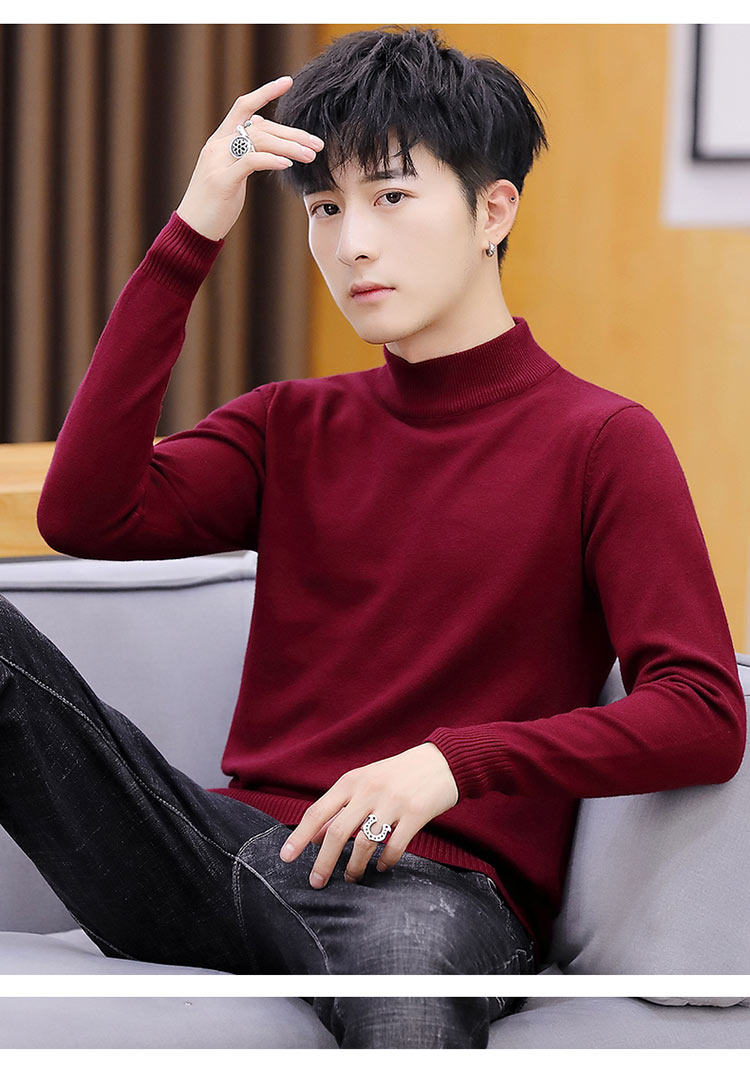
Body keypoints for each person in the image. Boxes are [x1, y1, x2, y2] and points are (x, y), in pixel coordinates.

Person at [1, 25, 745, 1049]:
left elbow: (702, 711)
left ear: (493, 211)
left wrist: (453, 762)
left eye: (391, 197)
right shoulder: (289, 422)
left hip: (430, 888)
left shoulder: (603, 441)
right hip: (221, 853)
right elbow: (83, 515)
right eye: (325, 208)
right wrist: (193, 231)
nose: (351, 242)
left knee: (409, 980)